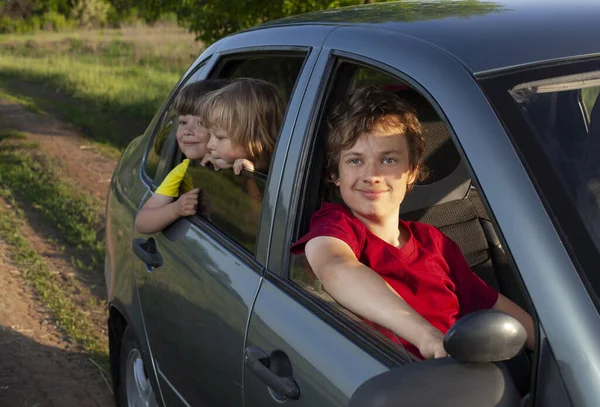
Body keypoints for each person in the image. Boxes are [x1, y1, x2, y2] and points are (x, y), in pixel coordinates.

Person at [291, 86, 535, 360]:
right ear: (335, 173)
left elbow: (492, 304)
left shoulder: (435, 243)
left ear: (412, 171)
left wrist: (558, 349)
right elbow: (335, 267)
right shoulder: (336, 226)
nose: (372, 175)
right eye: (355, 160)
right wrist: (428, 338)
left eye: (388, 159)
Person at [135, 79, 229, 234]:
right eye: (183, 122)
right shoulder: (183, 171)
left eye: (200, 123)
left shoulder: (239, 166)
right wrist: (176, 209)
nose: (187, 130)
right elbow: (142, 222)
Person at [198, 78, 285, 175]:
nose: (209, 145)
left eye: (220, 137)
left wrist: (252, 174)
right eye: (210, 135)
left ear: (257, 139)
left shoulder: (281, 171)